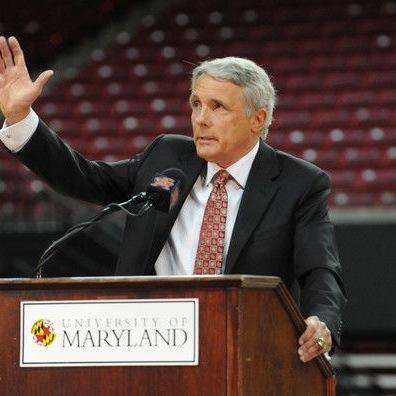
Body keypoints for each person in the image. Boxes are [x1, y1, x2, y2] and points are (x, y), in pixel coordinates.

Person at [0, 36, 346, 363]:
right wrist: (21, 118)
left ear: (258, 119)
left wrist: (322, 321)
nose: (201, 118)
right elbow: (86, 177)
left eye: (217, 107)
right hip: (147, 345)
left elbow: (319, 269)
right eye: (196, 103)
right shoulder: (168, 155)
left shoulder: (299, 183)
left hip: (241, 350)